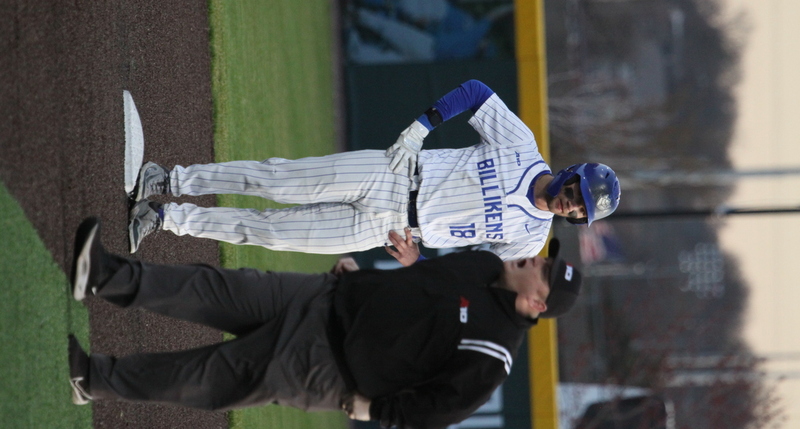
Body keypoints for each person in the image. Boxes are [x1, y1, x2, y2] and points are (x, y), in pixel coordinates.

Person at [68, 217, 583, 429]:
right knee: (213, 287)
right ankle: (102, 276)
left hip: (325, 367)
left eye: (545, 272)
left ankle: (94, 379)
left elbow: (438, 410)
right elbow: (426, 289)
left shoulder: (495, 353)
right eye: (546, 257)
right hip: (325, 294)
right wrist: (365, 279)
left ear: (538, 305)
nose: (537, 260)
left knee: (206, 376)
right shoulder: (484, 265)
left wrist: (375, 409)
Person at [128, 79, 621, 261]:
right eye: (577, 193)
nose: (571, 205)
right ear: (573, 173)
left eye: (579, 211)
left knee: (273, 234)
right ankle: (169, 180)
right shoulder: (523, 147)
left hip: (394, 229)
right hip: (394, 172)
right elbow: (475, 92)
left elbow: (473, 273)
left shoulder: (531, 240)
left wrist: (417, 261)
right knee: (273, 179)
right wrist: (421, 128)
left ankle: (165, 220)